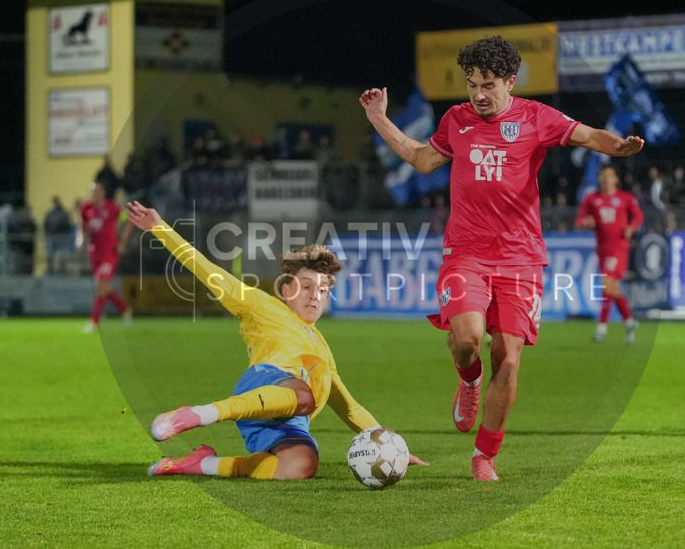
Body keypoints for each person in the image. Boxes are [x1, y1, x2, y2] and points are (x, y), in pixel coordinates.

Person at [360, 36, 644, 480]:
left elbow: (588, 135)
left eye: (488, 85)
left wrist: (618, 147)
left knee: (508, 358)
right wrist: (378, 117)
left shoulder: (536, 117)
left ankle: (484, 455)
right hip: (466, 252)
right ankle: (468, 380)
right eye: (472, 84)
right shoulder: (458, 120)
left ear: (510, 82)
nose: (478, 94)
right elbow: (420, 158)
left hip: (521, 257)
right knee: (469, 338)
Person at [126, 201, 428, 480]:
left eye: (323, 291)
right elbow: (209, 272)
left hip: (286, 421)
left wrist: (392, 447)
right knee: (306, 394)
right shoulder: (261, 305)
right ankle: (197, 414)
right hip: (265, 383)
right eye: (307, 286)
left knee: (301, 466)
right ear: (286, 290)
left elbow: (349, 408)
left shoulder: (322, 349)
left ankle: (202, 463)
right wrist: (159, 228)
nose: (315, 295)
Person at [576, 164, 644, 343]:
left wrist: (631, 227)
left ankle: (601, 328)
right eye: (602, 175)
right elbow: (580, 219)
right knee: (611, 288)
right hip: (603, 250)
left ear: (616, 179)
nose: (605, 179)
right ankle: (629, 321)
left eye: (609, 175)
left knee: (607, 285)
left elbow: (638, 215)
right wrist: (586, 222)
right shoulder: (592, 199)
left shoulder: (625, 198)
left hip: (619, 248)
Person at [79, 181, 133, 333]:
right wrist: (81, 240)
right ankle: (125, 310)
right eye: (92, 191)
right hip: (94, 253)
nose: (95, 194)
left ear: (102, 192)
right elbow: (83, 227)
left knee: (100, 286)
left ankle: (94, 321)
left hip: (110, 253)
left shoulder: (112, 208)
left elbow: (129, 220)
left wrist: (122, 242)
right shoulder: (86, 209)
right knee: (104, 288)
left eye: (97, 191)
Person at [43, 196, 73, 275]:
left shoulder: (62, 213)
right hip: (53, 236)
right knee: (51, 255)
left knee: (61, 255)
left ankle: (60, 271)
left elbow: (68, 225)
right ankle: (51, 270)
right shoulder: (51, 213)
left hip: (60, 236)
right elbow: (46, 225)